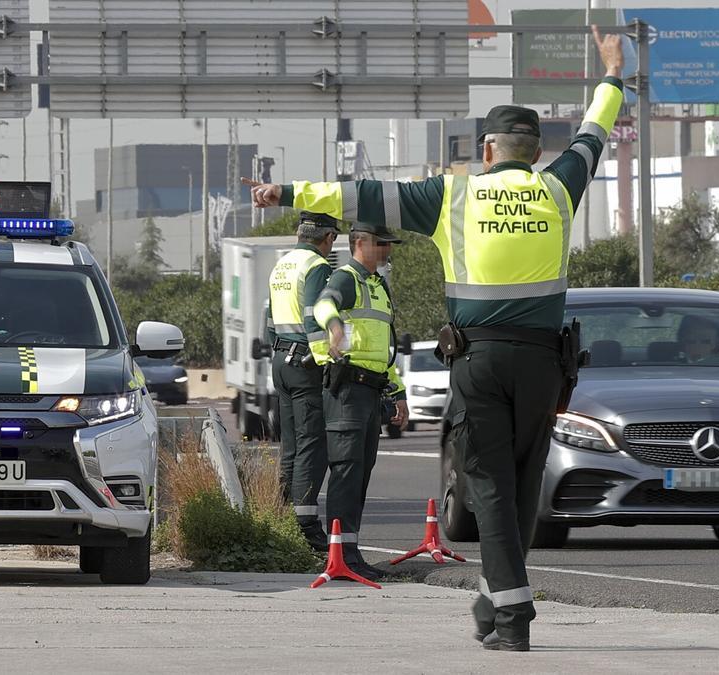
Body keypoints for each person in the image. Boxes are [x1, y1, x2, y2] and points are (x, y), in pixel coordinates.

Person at [244, 26, 625, 650]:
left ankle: (512, 615)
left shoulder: (454, 195)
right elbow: (594, 135)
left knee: (489, 480)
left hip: (480, 361)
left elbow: (362, 194)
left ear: (487, 148)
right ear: (534, 151)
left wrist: (284, 193)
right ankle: (496, 594)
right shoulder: (560, 189)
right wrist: (611, 74)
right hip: (544, 363)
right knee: (525, 479)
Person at [310, 220, 409, 581]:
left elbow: (383, 348)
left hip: (371, 389)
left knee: (360, 472)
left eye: (389, 244)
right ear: (359, 243)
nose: (387, 250)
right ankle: (339, 557)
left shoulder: (378, 285)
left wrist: (397, 391)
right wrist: (334, 326)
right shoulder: (346, 278)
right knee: (347, 471)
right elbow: (323, 305)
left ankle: (349, 553)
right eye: (381, 243)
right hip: (348, 389)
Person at [265, 211, 340, 551]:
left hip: (280, 359)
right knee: (313, 443)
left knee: (291, 444)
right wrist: (327, 359)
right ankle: (306, 526)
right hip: (305, 360)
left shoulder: (281, 265)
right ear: (328, 238)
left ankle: (282, 517)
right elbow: (314, 315)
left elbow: (269, 320)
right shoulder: (317, 267)